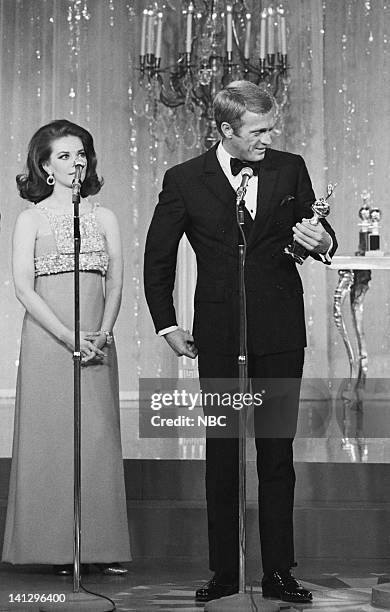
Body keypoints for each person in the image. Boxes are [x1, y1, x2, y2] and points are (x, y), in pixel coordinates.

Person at [144, 81, 337, 604]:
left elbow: (318, 233)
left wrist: (325, 242)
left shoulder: (288, 168)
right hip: (221, 336)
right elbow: (158, 256)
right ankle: (225, 573)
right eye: (257, 131)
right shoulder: (185, 179)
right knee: (223, 455)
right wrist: (167, 324)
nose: (267, 139)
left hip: (278, 333)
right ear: (227, 130)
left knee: (277, 455)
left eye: (270, 128)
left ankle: (278, 572)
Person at [2, 119, 131, 576]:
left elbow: (115, 280)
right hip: (49, 340)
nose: (75, 163)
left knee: (96, 438)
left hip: (98, 338)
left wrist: (103, 331)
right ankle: (50, 547)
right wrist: (67, 335)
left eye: (81, 154)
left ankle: (99, 545)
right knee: (50, 439)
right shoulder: (30, 219)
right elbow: (22, 286)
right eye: (63, 155)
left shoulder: (105, 217)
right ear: (44, 165)